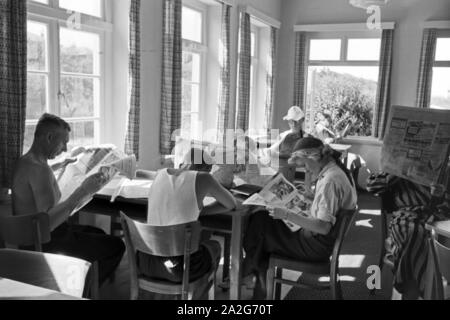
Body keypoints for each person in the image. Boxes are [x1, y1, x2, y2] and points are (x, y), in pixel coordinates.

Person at [11, 113, 125, 285]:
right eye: (63, 142)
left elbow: (37, 191)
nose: (64, 148)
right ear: (49, 137)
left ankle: (81, 282)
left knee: (98, 233)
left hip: (29, 240)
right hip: (46, 244)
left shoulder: (25, 162)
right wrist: (83, 190)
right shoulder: (39, 170)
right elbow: (48, 224)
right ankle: (80, 290)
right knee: (116, 245)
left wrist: (61, 165)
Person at [243, 137, 358, 299]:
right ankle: (253, 276)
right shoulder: (335, 172)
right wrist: (309, 199)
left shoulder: (330, 181)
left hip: (316, 245)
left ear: (315, 158)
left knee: (260, 225)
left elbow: (323, 227)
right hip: (318, 240)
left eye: (304, 165)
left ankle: (249, 273)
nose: (306, 171)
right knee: (263, 226)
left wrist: (287, 214)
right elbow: (327, 210)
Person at [137, 148, 238, 298]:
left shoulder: (161, 174)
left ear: (182, 162)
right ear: (208, 168)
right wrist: (202, 211)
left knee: (193, 240)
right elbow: (231, 204)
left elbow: (139, 173)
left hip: (145, 263)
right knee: (215, 247)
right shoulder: (204, 178)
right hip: (180, 269)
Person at [263, 106, 306, 182]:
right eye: (291, 121)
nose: (293, 124)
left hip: (291, 172)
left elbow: (301, 158)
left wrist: (277, 154)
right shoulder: (283, 135)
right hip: (276, 171)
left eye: (296, 121)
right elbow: (270, 153)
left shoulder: (306, 138)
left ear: (302, 121)